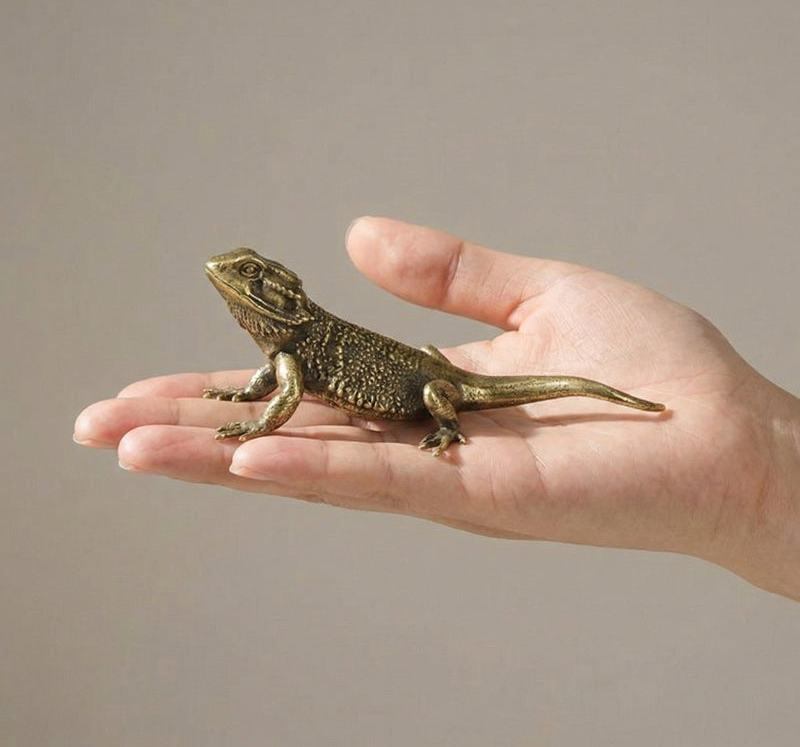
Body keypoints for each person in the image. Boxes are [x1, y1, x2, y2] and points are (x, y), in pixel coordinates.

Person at [73, 217, 800, 601]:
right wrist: (756, 486)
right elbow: (276, 377)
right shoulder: (292, 345)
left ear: (280, 293)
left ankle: (450, 415)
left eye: (253, 275)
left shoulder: (298, 349)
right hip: (421, 375)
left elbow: (287, 395)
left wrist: (444, 418)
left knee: (444, 394)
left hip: (434, 388)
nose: (235, 281)